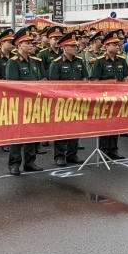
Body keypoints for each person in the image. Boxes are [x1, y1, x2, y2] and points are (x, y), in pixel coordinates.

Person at [4, 26, 43, 174]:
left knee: (32, 134)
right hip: (19, 103)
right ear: (19, 44)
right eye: (27, 43)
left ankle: (30, 161)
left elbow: (39, 80)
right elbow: (12, 85)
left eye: (31, 43)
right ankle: (14, 163)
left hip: (34, 103)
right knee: (18, 134)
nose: (31, 45)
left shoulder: (35, 61)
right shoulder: (13, 62)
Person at [89, 30, 128, 160]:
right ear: (106, 46)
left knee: (116, 123)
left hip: (118, 96)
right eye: (114, 44)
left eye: (118, 44)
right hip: (105, 97)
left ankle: (114, 149)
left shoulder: (121, 60)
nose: (117, 46)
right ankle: (103, 149)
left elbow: (127, 77)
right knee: (105, 124)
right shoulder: (100, 61)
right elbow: (95, 80)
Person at [47, 31, 87, 166]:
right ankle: (59, 155)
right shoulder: (56, 63)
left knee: (75, 129)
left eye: (76, 46)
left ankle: (72, 154)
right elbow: (53, 85)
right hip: (62, 101)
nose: (76, 48)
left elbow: (85, 79)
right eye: (73, 46)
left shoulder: (80, 61)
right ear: (64, 47)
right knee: (61, 130)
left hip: (77, 99)